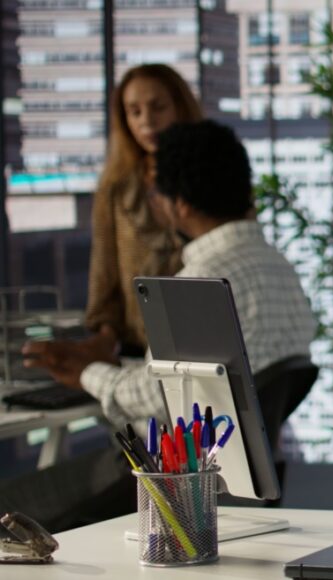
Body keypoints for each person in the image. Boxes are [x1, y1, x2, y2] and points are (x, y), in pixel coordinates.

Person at [8, 120, 316, 532]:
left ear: (180, 204)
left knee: (8, 504)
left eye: (155, 193)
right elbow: (197, 379)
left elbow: (156, 400)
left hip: (167, 487)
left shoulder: (201, 282)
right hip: (225, 486)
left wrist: (84, 372)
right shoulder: (281, 267)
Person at [24, 65, 202, 374]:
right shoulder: (116, 187)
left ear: (180, 107)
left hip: (203, 341)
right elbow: (103, 274)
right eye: (134, 111)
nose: (147, 121)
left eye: (158, 107)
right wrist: (102, 339)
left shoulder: (213, 179)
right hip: (137, 350)